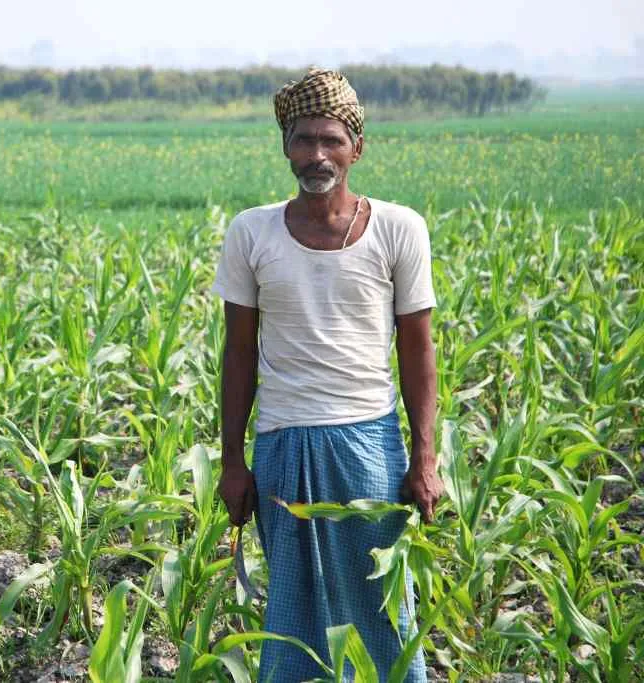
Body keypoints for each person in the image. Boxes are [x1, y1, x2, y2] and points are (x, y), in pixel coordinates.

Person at [211, 67, 444, 683]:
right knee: (291, 604)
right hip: (284, 442)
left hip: (368, 440)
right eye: (304, 139)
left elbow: (418, 352)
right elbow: (238, 354)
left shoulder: (399, 228)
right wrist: (233, 462)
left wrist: (425, 459)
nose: (317, 153)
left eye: (332, 140)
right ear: (285, 146)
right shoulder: (251, 231)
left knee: (381, 601)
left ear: (357, 147)